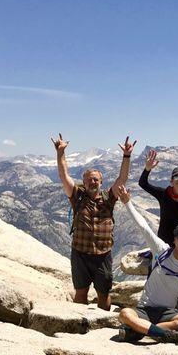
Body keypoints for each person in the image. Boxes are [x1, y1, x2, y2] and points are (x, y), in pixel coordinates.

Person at [51, 133, 136, 310]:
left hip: (103, 254)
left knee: (103, 294)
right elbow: (63, 175)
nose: (92, 182)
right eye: (89, 179)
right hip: (80, 253)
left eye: (96, 179)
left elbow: (122, 179)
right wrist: (60, 153)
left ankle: (102, 324)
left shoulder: (108, 198)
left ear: (101, 181)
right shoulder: (77, 196)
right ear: (83, 181)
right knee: (81, 292)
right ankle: (79, 325)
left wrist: (126, 156)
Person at [116, 186, 178, 345]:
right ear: (174, 240)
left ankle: (138, 331)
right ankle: (165, 335)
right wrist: (127, 203)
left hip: (167, 313)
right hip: (144, 309)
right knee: (124, 314)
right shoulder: (161, 251)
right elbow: (143, 227)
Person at [138, 149, 178, 245]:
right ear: (171, 181)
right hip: (163, 241)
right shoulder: (163, 194)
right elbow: (143, 183)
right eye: (176, 177)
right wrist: (147, 169)